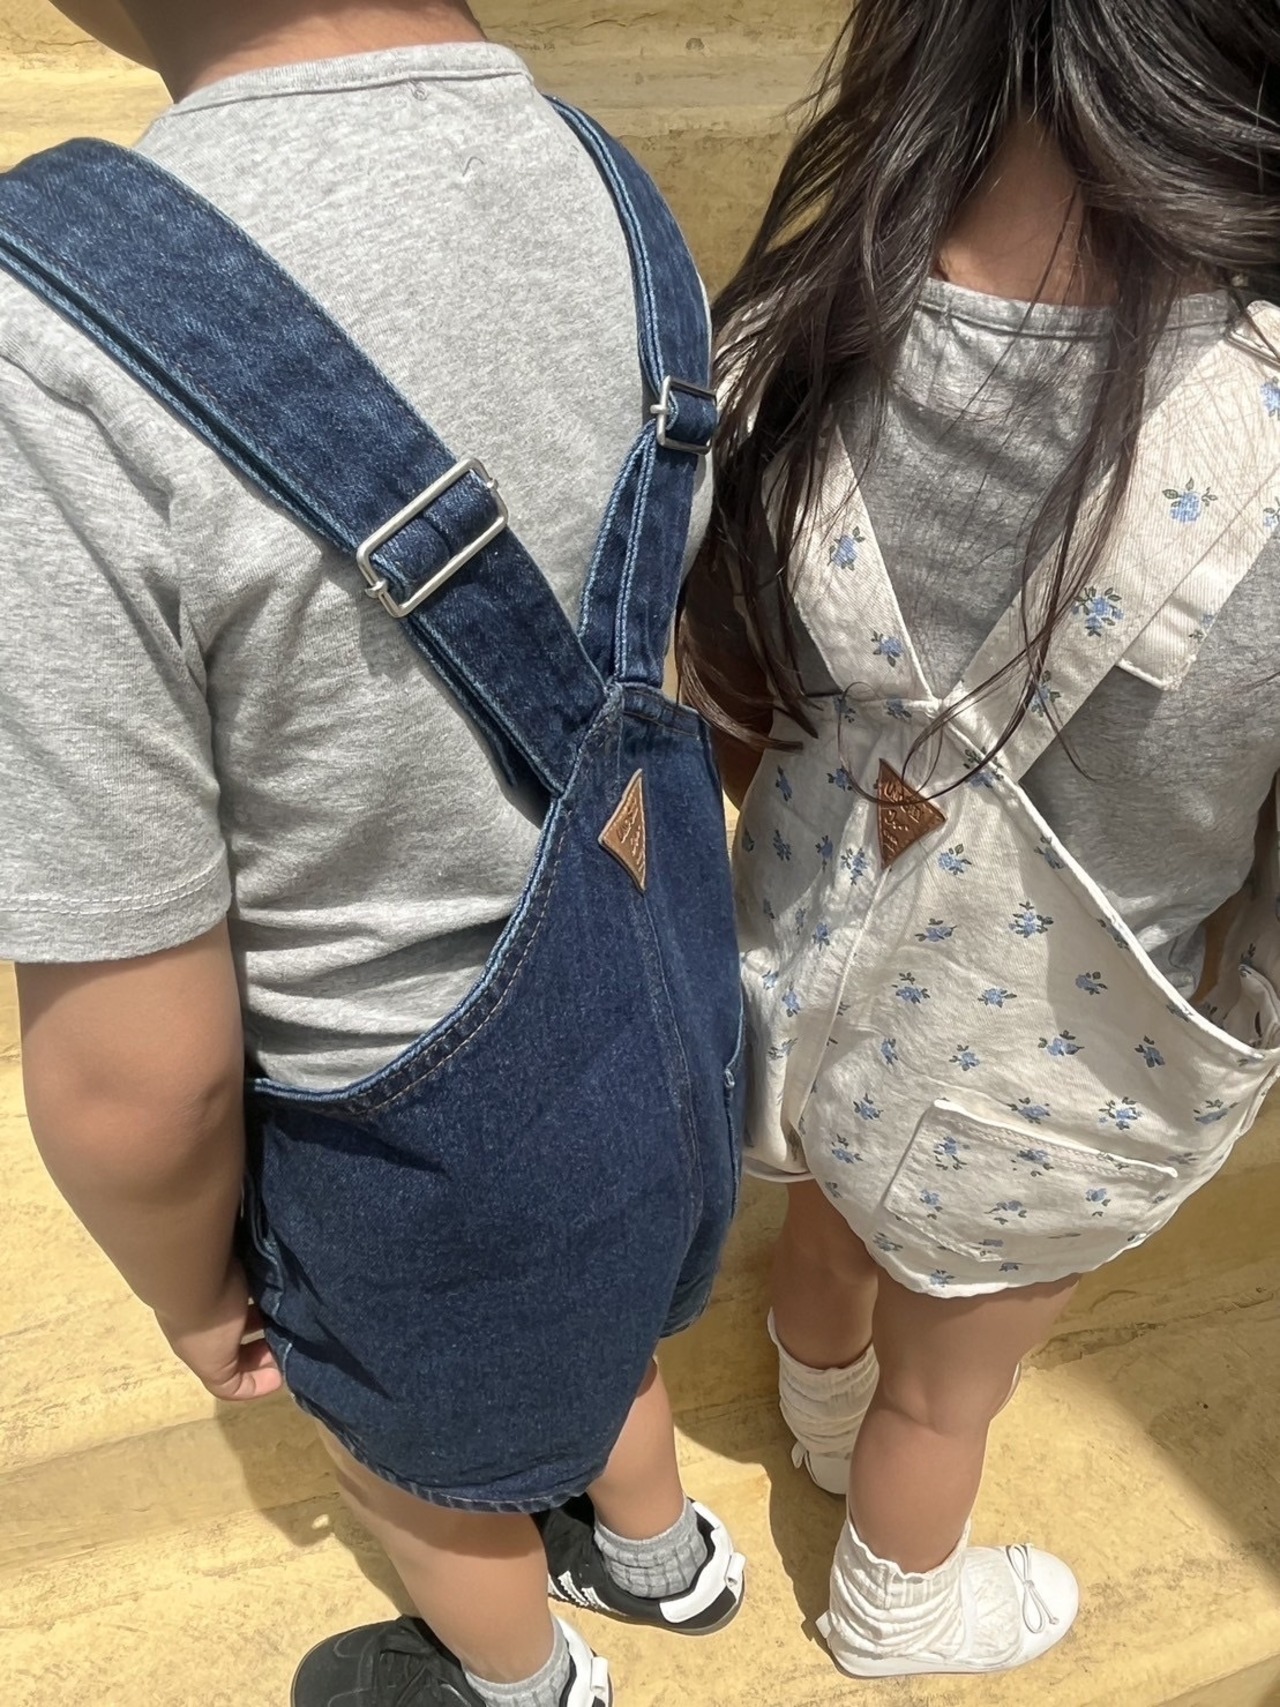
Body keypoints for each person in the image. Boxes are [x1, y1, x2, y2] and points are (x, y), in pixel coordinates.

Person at [0, 4, 747, 1704]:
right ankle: (666, 1561)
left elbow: (136, 1079)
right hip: (667, 1030)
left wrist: (194, 1294)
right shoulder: (611, 181)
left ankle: (522, 1680)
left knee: (427, 1479)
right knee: (612, 1332)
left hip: (411, 1148)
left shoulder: (44, 332)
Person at [680, 0, 1280, 1680]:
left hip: (813, 973)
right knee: (949, 1392)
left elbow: (728, 693)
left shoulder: (792, 331)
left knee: (825, 1209)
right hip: (1053, 1072)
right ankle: (897, 1609)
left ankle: (814, 1404)